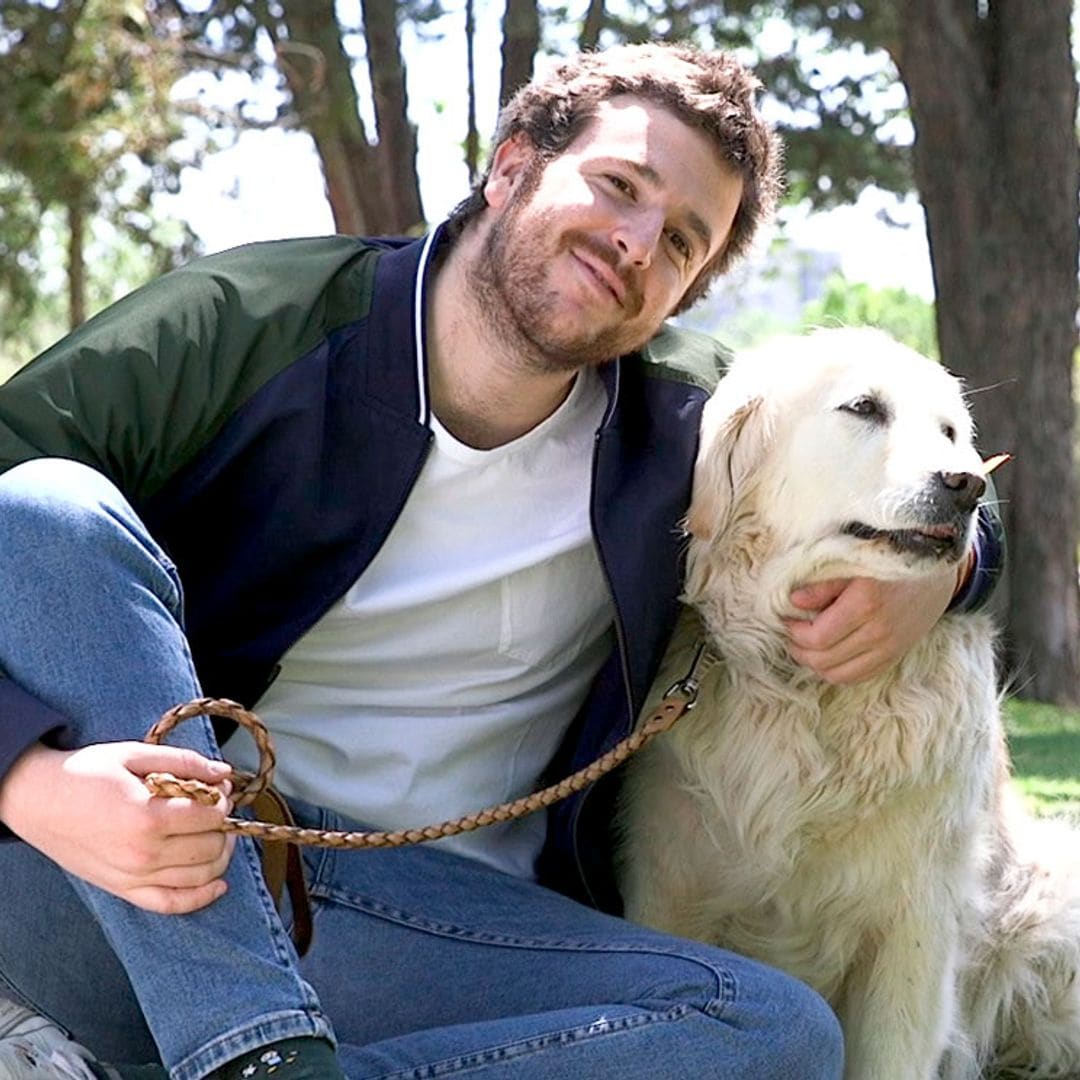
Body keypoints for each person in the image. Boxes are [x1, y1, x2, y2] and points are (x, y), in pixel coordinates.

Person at [0, 43, 1001, 1080]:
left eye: (681, 244)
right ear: (513, 163)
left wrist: (948, 576)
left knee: (775, 1032)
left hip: (449, 934)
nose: (635, 242)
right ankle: (251, 1049)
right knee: (46, 510)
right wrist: (29, 782)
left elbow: (903, 475)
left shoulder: (693, 429)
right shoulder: (251, 323)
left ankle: (249, 1064)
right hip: (139, 880)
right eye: (620, 187)